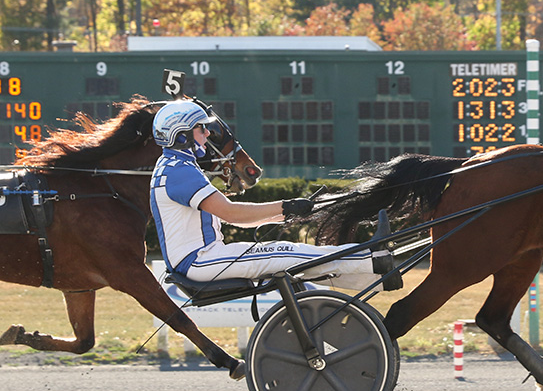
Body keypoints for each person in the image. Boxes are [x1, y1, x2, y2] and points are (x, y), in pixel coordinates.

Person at [149, 100, 400, 291]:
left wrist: (284, 214)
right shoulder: (180, 171)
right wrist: (286, 206)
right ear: (180, 134)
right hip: (201, 261)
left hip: (203, 258)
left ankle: (376, 278)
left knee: (291, 258)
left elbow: (231, 217)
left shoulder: (175, 167)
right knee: (286, 253)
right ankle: (373, 261)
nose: (206, 134)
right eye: (200, 128)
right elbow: (230, 212)